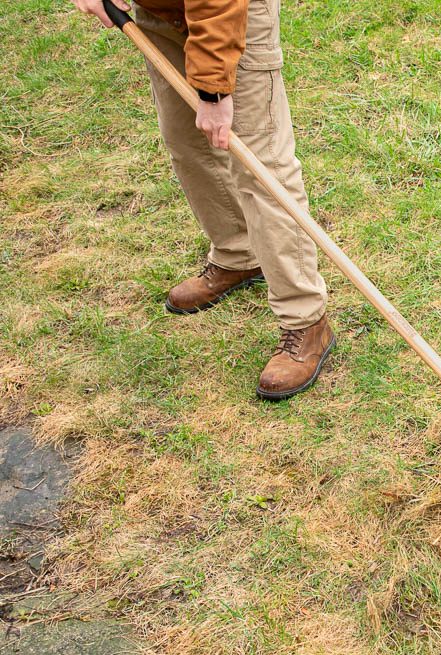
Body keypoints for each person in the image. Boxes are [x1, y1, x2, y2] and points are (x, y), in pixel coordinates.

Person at [71, 0, 334, 400]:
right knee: (186, 142)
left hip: (228, 15)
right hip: (159, 10)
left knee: (262, 169)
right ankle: (238, 254)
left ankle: (306, 319)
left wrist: (213, 89)